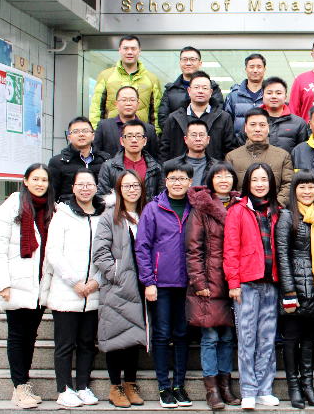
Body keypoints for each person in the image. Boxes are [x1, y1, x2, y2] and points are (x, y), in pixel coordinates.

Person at [0, 163, 55, 409]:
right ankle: (19, 387)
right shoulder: (10, 208)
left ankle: (23, 384)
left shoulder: (52, 209)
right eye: (35, 179)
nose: (40, 184)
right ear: (25, 181)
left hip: (39, 284)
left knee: (30, 336)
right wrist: (2, 284)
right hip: (16, 282)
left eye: (44, 180)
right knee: (17, 336)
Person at [136, 161, 196, 408]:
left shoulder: (196, 208)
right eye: (172, 178)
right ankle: (164, 387)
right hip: (160, 284)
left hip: (188, 284)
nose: (177, 183)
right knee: (161, 334)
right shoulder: (153, 209)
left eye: (182, 179)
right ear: (165, 181)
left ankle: (179, 386)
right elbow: (142, 247)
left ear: (190, 182)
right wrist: (148, 282)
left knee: (182, 334)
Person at [223, 164, 283, 410]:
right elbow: (230, 248)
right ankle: (248, 390)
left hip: (271, 283)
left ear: (271, 183)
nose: (260, 184)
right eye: (255, 179)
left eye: (264, 179)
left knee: (267, 338)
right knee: (247, 338)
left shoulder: (278, 211)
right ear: (247, 183)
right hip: (246, 284)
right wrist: (233, 283)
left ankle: (264, 390)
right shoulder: (237, 210)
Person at [44, 168, 103, 408]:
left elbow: (108, 252)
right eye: (81, 184)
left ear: (96, 188)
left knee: (87, 344)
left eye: (90, 184)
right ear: (73, 188)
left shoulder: (103, 216)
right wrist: (75, 282)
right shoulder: (62, 215)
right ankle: (64, 389)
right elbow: (53, 253)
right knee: (65, 344)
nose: (85, 188)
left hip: (93, 293)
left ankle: (82, 387)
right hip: (67, 292)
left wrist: (96, 281)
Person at [186, 162, 243, 409]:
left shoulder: (241, 205)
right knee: (210, 336)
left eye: (228, 175)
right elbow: (193, 248)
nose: (223, 179)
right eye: (218, 175)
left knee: (228, 336)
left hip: (235, 280)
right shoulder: (202, 208)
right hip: (209, 282)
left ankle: (225, 386)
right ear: (210, 180)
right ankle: (212, 390)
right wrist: (199, 282)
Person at [276, 171, 314, 409]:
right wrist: (289, 291)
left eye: (311, 187)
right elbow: (282, 256)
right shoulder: (287, 216)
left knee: (309, 339)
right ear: (294, 191)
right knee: (292, 339)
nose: (307, 191)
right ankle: (293, 387)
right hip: (296, 289)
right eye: (302, 187)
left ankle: (307, 385)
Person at [92, 170, 149, 408]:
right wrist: (116, 274)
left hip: (141, 285)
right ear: (119, 189)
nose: (132, 190)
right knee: (115, 336)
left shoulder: (147, 213)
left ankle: (130, 384)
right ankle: (115, 386)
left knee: (134, 336)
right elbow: (100, 252)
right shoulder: (109, 216)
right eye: (126, 186)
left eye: (136, 185)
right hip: (117, 286)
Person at [90, 35, 164, 134]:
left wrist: (155, 136)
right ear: (119, 50)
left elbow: (155, 113)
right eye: (125, 48)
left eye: (133, 48)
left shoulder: (152, 79)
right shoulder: (106, 76)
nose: (129, 52)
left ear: (139, 51)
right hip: (111, 134)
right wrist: (96, 133)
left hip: (140, 135)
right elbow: (96, 109)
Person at [159, 71, 237, 162]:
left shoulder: (224, 118)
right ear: (189, 91)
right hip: (180, 169)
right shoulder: (174, 118)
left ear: (211, 92)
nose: (200, 91)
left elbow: (230, 151)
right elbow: (164, 150)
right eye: (196, 87)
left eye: (204, 88)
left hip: (213, 169)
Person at [226, 108, 294, 207]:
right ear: (245, 128)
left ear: (268, 128)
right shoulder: (232, 157)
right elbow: (229, 188)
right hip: (241, 211)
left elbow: (288, 184)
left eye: (262, 125)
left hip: (275, 211)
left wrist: (275, 206)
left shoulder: (283, 156)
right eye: (252, 125)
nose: (257, 129)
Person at [48, 117, 112, 204]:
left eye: (85, 131)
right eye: (76, 131)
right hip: (67, 210)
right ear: (69, 137)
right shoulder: (58, 162)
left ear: (93, 136)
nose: (81, 134)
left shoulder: (106, 160)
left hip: (99, 209)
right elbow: (52, 197)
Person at [158, 46, 226, 127]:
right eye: (184, 59)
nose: (188, 63)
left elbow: (218, 116)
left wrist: (200, 132)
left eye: (192, 59)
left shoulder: (213, 88)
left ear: (200, 63)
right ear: (180, 63)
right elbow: (163, 119)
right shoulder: (170, 90)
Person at [97, 120, 165, 199]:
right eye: (129, 136)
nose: (134, 140)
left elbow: (161, 197)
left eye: (138, 136)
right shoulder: (109, 167)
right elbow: (102, 196)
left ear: (145, 141)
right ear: (122, 141)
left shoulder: (155, 168)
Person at [93, 85, 161, 161]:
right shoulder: (104, 126)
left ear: (138, 104)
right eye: (124, 100)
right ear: (116, 104)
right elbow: (96, 152)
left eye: (132, 100)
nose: (128, 103)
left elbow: (155, 158)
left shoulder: (149, 129)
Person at [259, 77, 310, 153]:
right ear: (263, 97)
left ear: (285, 98)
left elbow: (303, 153)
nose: (274, 96)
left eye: (278, 93)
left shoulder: (299, 123)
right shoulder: (253, 120)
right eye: (269, 93)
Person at [164, 120, 216, 188]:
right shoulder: (169, 166)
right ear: (185, 139)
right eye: (193, 135)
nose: (198, 139)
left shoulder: (216, 167)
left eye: (201, 135)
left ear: (208, 139)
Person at [225, 53, 267, 136]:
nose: (255, 70)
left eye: (259, 67)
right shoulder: (233, 97)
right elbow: (227, 126)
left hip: (265, 143)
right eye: (251, 67)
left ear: (264, 70)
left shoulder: (270, 96)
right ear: (246, 70)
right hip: (239, 143)